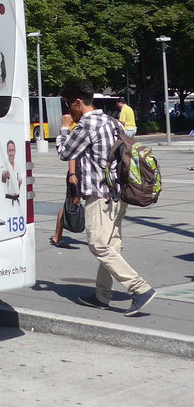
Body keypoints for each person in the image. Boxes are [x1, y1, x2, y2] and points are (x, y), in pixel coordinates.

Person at [56, 81, 155, 315]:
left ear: (78, 102)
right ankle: (102, 295)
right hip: (119, 193)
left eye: (69, 104)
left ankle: (139, 288)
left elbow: (64, 152)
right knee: (111, 245)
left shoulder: (87, 124)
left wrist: (63, 128)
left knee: (99, 246)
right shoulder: (112, 121)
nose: (69, 110)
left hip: (100, 195)